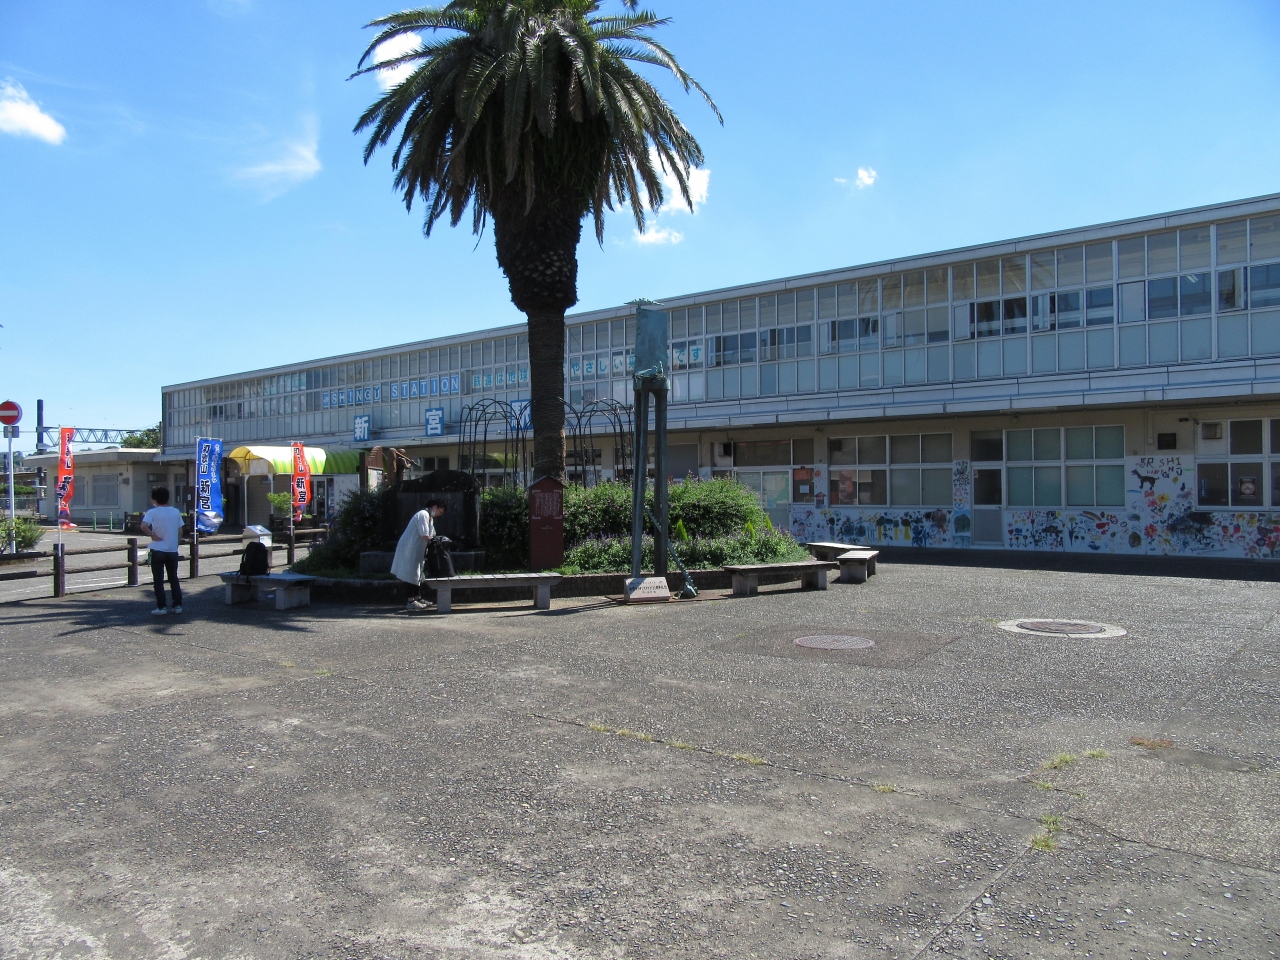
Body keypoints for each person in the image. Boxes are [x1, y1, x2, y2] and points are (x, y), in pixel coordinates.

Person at [391, 500, 451, 612]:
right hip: (409, 548)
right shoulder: (423, 515)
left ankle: (418, 598)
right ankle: (411, 601)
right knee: (410, 574)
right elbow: (425, 535)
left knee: (418, 574)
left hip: (418, 549)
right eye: (440, 512)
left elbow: (432, 535)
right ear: (435, 507)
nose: (439, 514)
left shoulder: (430, 518)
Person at [140, 487, 184, 615]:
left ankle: (162, 607)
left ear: (154, 499)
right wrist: (176, 544)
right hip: (172, 550)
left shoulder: (152, 512)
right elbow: (180, 531)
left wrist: (152, 534)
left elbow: (143, 526)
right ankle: (177, 606)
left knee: (158, 580)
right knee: (173, 579)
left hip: (158, 549)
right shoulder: (175, 511)